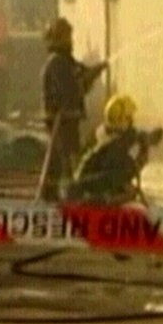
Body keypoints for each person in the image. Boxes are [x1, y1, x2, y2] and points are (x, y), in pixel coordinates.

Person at [39, 17, 107, 202]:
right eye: (67, 37)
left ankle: (51, 193)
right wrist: (89, 77)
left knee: (59, 160)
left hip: (68, 119)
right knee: (69, 159)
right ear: (58, 39)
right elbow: (72, 89)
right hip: (61, 121)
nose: (71, 40)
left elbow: (81, 73)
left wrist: (95, 71)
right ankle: (69, 195)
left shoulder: (66, 61)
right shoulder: (57, 63)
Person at [67, 94, 163, 205]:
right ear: (121, 119)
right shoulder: (117, 144)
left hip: (82, 187)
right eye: (129, 118)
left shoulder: (102, 131)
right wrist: (146, 147)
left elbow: (134, 136)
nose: (132, 121)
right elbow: (126, 171)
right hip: (92, 194)